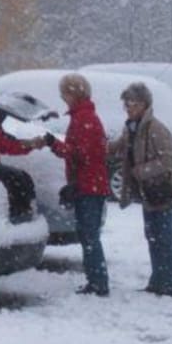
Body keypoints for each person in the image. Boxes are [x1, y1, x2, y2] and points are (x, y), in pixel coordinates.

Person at [112, 81, 172, 297]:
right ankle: (158, 281)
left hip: (164, 192)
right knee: (153, 237)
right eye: (126, 104)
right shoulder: (131, 127)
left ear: (145, 105)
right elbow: (118, 147)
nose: (129, 108)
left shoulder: (156, 129)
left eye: (134, 104)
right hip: (149, 194)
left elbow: (168, 160)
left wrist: (141, 171)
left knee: (167, 238)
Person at [43, 73, 111, 296]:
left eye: (64, 93)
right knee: (88, 235)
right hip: (90, 183)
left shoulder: (84, 119)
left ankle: (98, 282)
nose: (62, 98)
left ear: (74, 93)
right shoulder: (83, 116)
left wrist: (54, 144)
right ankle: (96, 280)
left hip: (89, 186)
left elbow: (80, 154)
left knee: (89, 236)